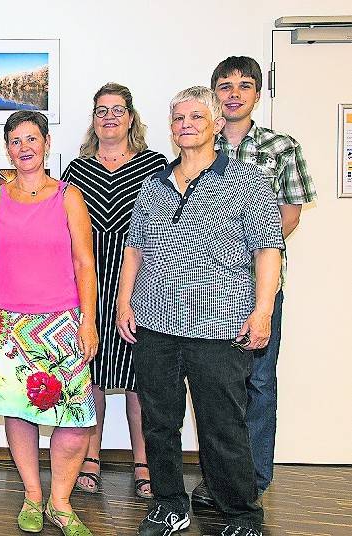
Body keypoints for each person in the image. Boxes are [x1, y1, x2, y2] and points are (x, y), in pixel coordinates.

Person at [119, 86, 283, 536]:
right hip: (155, 325)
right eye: (177, 118)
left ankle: (242, 515)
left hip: (218, 327)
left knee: (221, 427)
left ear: (214, 124)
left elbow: (269, 249)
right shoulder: (153, 185)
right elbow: (135, 248)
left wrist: (263, 311)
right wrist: (124, 301)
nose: (185, 124)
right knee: (160, 422)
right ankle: (170, 505)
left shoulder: (246, 181)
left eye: (195, 116)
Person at [190, 56, 318, 508]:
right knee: (212, 386)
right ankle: (215, 480)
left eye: (244, 86)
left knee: (258, 383)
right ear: (214, 94)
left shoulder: (282, 148)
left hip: (260, 287)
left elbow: (290, 213)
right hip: (209, 289)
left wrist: (248, 251)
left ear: (257, 95)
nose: (234, 94)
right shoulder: (199, 147)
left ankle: (253, 481)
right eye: (225, 86)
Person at [0, 110, 99, 536]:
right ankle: (32, 495)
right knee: (17, 411)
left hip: (63, 322)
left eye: (31, 139)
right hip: (6, 325)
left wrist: (89, 321)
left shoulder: (68, 196)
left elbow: (85, 263)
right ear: (7, 148)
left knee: (76, 418)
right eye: (15, 141)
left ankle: (61, 502)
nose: (24, 148)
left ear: (45, 143)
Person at [62, 83, 167, 499]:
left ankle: (143, 462)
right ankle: (91, 456)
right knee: (92, 376)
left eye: (117, 110)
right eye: (101, 110)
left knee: (140, 378)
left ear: (131, 117)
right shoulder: (77, 169)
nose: (109, 117)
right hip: (87, 283)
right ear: (93, 118)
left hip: (137, 284)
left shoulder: (154, 165)